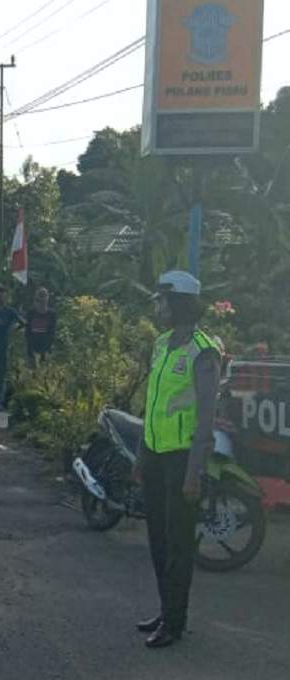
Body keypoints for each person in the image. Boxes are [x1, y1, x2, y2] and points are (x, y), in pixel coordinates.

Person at [133, 270, 221, 649]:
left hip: (182, 459)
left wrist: (194, 472)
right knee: (158, 540)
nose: (158, 308)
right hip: (154, 454)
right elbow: (151, 406)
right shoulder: (162, 344)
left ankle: (174, 622)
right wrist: (140, 455)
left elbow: (206, 417)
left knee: (178, 543)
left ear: (179, 303)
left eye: (162, 302)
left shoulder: (204, 351)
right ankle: (166, 609)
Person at [0, 283, 25, 411]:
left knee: (1, 376)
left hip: (3, 348)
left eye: (2, 296)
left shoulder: (10, 312)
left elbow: (23, 323)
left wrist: (12, 329)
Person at [25, 286, 58, 367]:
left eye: (44, 296)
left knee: (45, 372)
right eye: (40, 296)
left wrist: (49, 347)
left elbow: (52, 332)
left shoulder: (52, 313)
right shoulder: (31, 312)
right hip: (32, 347)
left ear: (47, 298)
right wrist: (30, 347)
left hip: (46, 347)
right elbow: (27, 331)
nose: (42, 299)